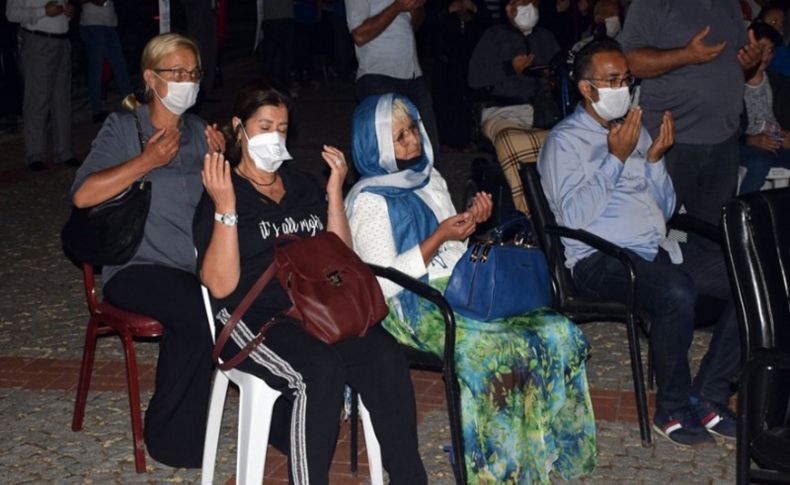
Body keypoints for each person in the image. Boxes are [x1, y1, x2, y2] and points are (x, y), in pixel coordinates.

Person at [345, 93, 596, 482]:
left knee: (554, 330)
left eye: (412, 129)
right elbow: (382, 283)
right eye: (399, 137)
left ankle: (547, 449)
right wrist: (438, 238)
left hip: (457, 286)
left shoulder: (430, 179)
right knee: (493, 352)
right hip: (409, 305)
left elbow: (456, 249)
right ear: (374, 145)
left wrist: (470, 222)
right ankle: (498, 468)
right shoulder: (369, 201)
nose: (412, 140)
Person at [193, 81, 427, 485]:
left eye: (282, 129)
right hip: (254, 315)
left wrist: (335, 192)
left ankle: (410, 478)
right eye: (264, 125)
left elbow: (340, 255)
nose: (274, 136)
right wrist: (226, 207)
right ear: (239, 128)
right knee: (318, 371)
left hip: (316, 307)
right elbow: (220, 284)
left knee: (385, 355)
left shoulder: (301, 184)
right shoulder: (223, 190)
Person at [538, 39, 740, 447]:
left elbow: (665, 211)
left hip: (655, 250)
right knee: (675, 290)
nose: (623, 88)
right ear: (587, 89)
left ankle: (711, 394)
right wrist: (615, 159)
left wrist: (653, 162)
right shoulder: (564, 143)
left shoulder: (636, 131)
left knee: (752, 277)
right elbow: (573, 219)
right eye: (612, 80)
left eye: (627, 79)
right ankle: (673, 407)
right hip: (597, 261)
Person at [71, 33, 226, 467]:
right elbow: (82, 196)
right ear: (150, 78)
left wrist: (226, 161)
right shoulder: (125, 128)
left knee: (251, 297)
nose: (186, 81)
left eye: (192, 73)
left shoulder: (199, 133)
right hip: (138, 266)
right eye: (175, 72)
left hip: (195, 265)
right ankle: (170, 436)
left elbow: (226, 206)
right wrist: (144, 161)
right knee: (197, 314)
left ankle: (277, 416)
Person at [620, 0, 763, 226]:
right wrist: (685, 55)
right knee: (653, 226)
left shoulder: (729, 5)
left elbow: (736, 67)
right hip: (671, 140)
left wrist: (751, 63)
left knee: (716, 233)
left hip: (724, 138)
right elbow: (629, 63)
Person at [346, 0, 441, 157]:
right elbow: (360, 34)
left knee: (428, 148)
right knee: (390, 153)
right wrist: (397, 6)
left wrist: (415, 7)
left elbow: (414, 25)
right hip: (378, 76)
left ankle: (429, 181)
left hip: (413, 73)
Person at [6, 0, 80, 171]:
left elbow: (64, 14)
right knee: (37, 99)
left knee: (61, 100)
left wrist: (69, 13)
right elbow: (11, 14)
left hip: (62, 41)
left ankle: (64, 151)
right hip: (38, 40)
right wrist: (43, 11)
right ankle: (35, 154)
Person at [468, 0, 561, 130]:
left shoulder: (546, 37)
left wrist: (551, 75)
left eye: (534, 4)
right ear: (509, 9)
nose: (530, 9)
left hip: (545, 111)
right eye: (524, 4)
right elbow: (474, 79)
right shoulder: (494, 36)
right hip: (503, 110)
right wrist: (509, 68)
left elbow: (561, 70)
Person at [740, 21, 790, 193]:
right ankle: (742, 213)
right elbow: (725, 129)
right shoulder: (733, 82)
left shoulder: (779, 82)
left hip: (776, 143)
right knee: (759, 164)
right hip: (744, 145)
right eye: (761, 48)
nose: (766, 56)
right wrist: (750, 140)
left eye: (770, 50)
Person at [79, 0, 132, 124]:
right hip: (93, 24)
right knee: (96, 69)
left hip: (109, 24)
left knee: (120, 66)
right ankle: (97, 111)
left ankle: (131, 103)